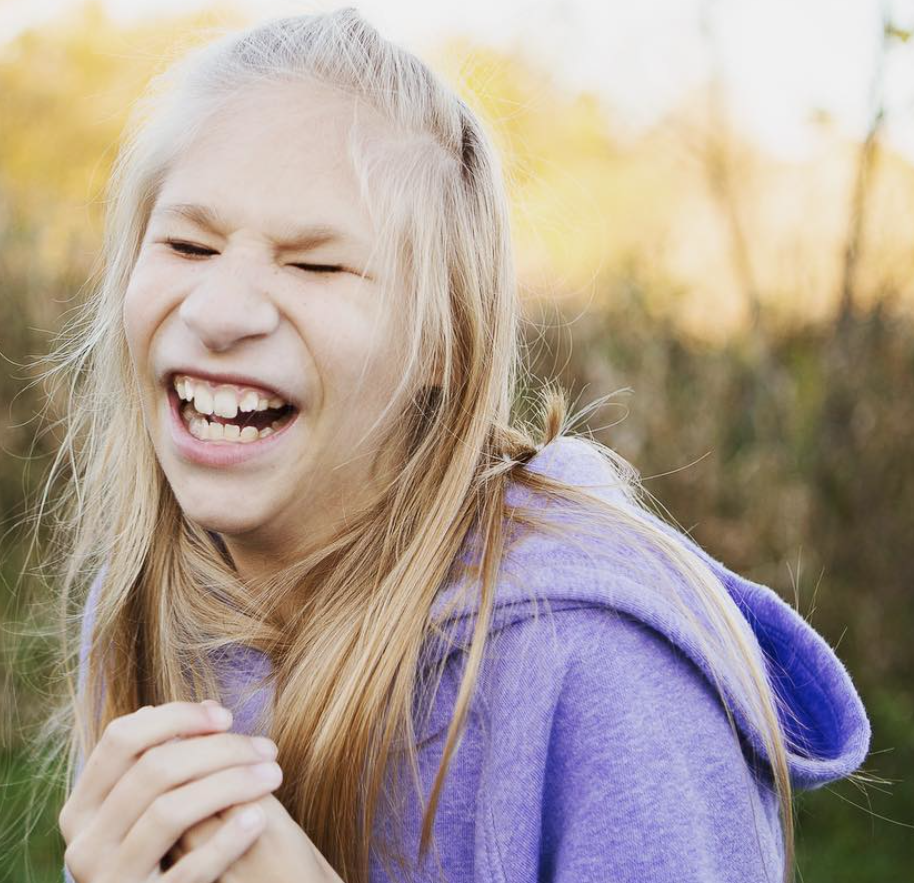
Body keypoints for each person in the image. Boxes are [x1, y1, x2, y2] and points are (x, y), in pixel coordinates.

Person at [42, 8, 871, 883]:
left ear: (446, 340)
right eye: (186, 243)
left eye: (314, 265)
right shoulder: (143, 602)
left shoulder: (600, 670)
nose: (217, 310)